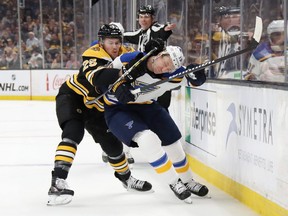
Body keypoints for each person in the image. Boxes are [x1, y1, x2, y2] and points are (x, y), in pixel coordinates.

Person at [87, 40, 209, 203]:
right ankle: (174, 183)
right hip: (118, 109)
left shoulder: (173, 75)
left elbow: (193, 80)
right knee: (147, 139)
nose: (165, 68)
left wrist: (198, 76)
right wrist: (116, 88)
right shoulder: (133, 59)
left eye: (170, 67)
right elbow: (104, 76)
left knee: (172, 140)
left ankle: (188, 180)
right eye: (165, 62)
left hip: (148, 106)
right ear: (160, 54)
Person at [47, 24, 153, 206]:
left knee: (113, 146)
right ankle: (57, 182)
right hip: (73, 97)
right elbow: (99, 78)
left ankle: (127, 180)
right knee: (73, 134)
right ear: (101, 42)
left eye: (117, 42)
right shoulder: (92, 54)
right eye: (111, 42)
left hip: (97, 107)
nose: (114, 46)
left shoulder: (126, 51)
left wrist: (154, 53)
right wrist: (125, 73)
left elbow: (146, 65)